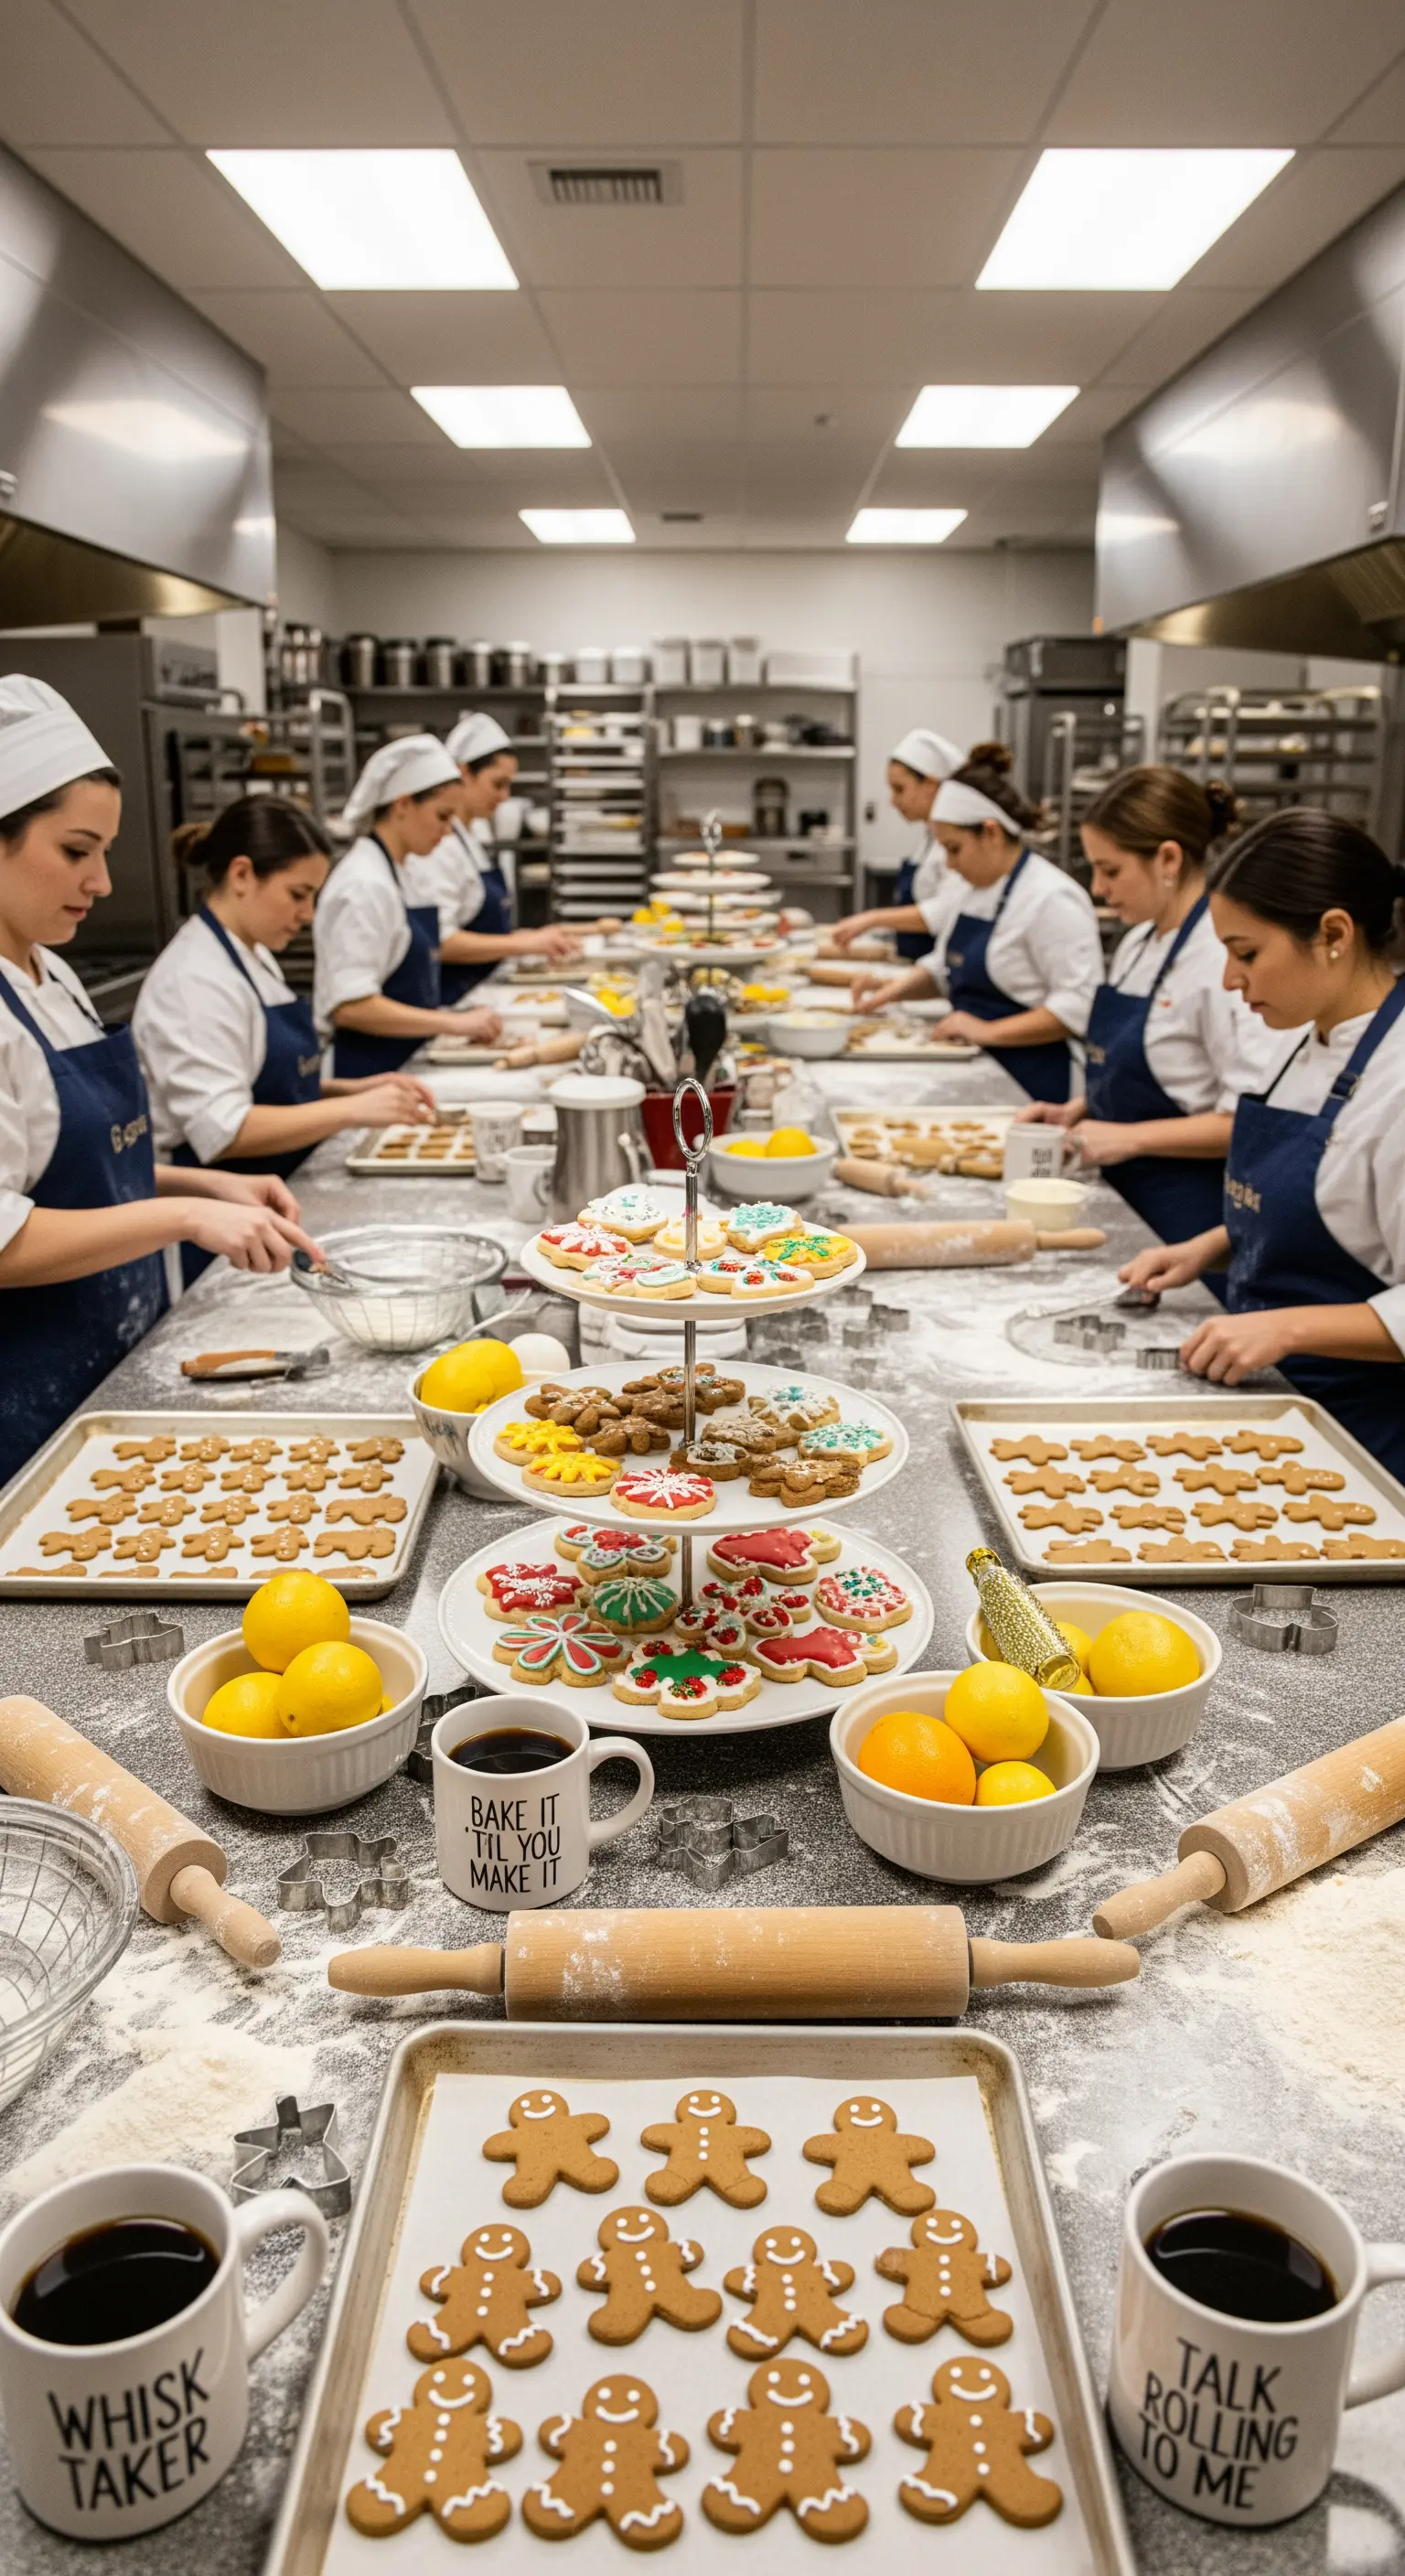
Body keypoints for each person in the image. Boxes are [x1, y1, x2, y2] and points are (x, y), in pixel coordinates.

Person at [0, 677, 316, 1488]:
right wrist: (182, 1214)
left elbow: (77, 1170)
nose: (101, 881)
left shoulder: (51, 975)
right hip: (25, 1396)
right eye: (76, 851)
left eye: (103, 852)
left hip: (109, 1370)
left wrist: (204, 1184)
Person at [1120, 808, 1405, 1477]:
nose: (1229, 979)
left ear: (1333, 932)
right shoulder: (1310, 1038)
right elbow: (1337, 1209)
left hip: (1363, 1443)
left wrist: (1286, 1327)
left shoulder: (1398, 1079)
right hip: (1278, 1408)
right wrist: (1216, 1245)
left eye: (1246, 953)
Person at [134, 798, 437, 1282]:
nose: (307, 913)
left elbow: (266, 1087)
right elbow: (224, 1132)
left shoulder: (252, 955)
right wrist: (352, 1111)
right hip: (226, 1237)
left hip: (279, 1203)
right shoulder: (194, 980)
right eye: (298, 894)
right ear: (241, 875)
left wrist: (352, 1089)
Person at [1016, 766, 1273, 1245]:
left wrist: (1129, 1138)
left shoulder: (1221, 958)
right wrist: (1078, 1109)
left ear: (1168, 859)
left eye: (1110, 870)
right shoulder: (1137, 944)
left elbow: (1250, 1122)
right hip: (1117, 1198)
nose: (1098, 888)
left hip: (1182, 1217)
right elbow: (1149, 1074)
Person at [852, 746, 1103, 1102]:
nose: (950, 865)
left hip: (1037, 1081)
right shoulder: (975, 890)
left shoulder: (1051, 899)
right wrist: (889, 990)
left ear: (991, 833)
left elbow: (1078, 1004)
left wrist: (989, 1031)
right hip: (980, 1066)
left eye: (955, 849)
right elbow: (943, 968)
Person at [313, 735, 503, 1077]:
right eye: (442, 816)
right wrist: (451, 1022)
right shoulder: (363, 885)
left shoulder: (405, 871)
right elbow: (350, 1007)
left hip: (405, 1064)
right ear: (402, 805)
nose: (447, 833)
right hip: (366, 1073)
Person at [406, 714, 581, 1002]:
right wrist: (521, 943)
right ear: (464, 774)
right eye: (497, 784)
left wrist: (531, 939)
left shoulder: (474, 834)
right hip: (456, 1000)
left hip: (482, 992)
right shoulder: (438, 845)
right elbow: (443, 942)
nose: (504, 796)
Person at [830, 728, 965, 960]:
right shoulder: (929, 836)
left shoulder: (959, 841)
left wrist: (872, 919)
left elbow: (947, 912)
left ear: (931, 785)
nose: (893, 802)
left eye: (899, 789)